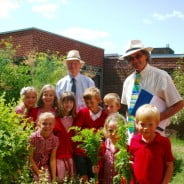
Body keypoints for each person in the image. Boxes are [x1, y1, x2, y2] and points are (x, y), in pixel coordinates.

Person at [120, 40, 184, 136]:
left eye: (138, 56)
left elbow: (178, 104)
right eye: (131, 58)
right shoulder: (128, 81)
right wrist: (130, 129)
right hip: (133, 137)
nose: (135, 60)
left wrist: (154, 119)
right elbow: (128, 109)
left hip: (154, 136)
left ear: (146, 55)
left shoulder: (161, 76)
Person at [129, 104, 174, 184]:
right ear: (136, 123)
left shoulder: (164, 142)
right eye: (142, 124)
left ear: (157, 124)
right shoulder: (134, 140)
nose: (146, 128)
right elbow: (131, 162)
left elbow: (169, 166)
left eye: (150, 124)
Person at [73, 87, 108, 182]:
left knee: (95, 178)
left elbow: (106, 133)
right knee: (83, 178)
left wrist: (90, 132)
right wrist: (96, 132)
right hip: (81, 151)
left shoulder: (105, 115)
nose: (89, 105)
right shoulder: (82, 113)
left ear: (99, 100)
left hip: (97, 152)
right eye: (86, 103)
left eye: (91, 102)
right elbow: (77, 131)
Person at [93, 113, 126, 184]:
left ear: (122, 131)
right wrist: (95, 169)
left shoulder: (125, 148)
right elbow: (99, 165)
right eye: (110, 131)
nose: (113, 134)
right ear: (106, 130)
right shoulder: (103, 147)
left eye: (117, 131)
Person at [29, 112, 59, 182]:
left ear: (54, 125)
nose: (47, 126)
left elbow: (52, 159)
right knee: (36, 180)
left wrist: (54, 177)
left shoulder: (55, 140)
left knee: (48, 180)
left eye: (50, 124)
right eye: (44, 124)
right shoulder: (32, 138)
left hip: (44, 166)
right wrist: (39, 174)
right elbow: (30, 158)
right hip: (32, 166)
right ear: (39, 124)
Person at [54, 91, 76, 181]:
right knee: (60, 178)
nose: (68, 104)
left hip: (71, 154)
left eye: (71, 102)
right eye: (65, 102)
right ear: (61, 103)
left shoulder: (75, 118)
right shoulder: (55, 118)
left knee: (71, 178)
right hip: (59, 154)